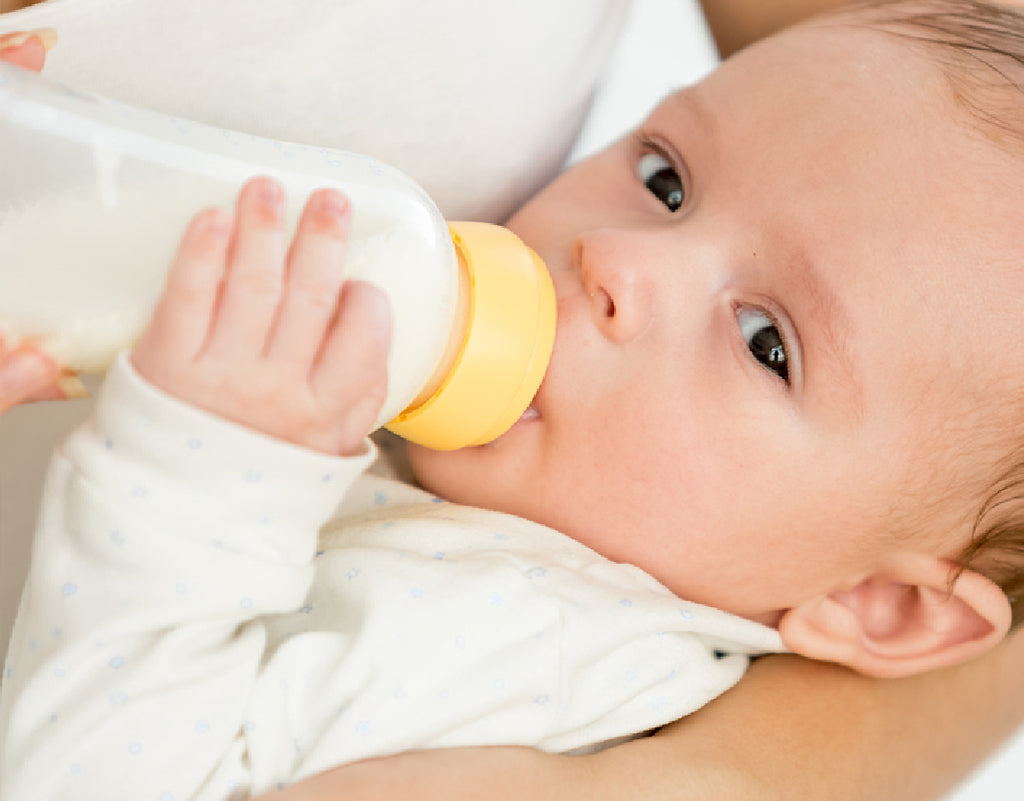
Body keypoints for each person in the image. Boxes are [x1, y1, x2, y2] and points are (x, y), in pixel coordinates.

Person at [3, 1, 1024, 799]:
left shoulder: (525, 656)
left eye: (768, 345)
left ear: (876, 605)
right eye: (667, 181)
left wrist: (198, 476)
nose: (616, 259)